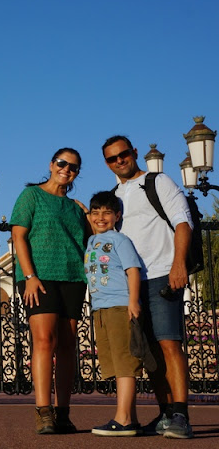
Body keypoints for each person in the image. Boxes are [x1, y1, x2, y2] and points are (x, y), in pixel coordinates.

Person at [102, 135, 194, 439]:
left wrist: (178, 264)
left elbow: (182, 221)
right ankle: (165, 413)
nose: (119, 161)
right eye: (112, 158)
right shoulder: (113, 194)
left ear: (134, 153)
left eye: (123, 154)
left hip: (162, 274)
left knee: (169, 343)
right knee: (149, 351)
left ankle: (180, 414)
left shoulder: (158, 182)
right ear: (107, 163)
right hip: (131, 283)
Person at [10, 147, 89, 435]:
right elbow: (18, 236)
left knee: (68, 344)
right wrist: (30, 275)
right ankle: (44, 412)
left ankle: (63, 413)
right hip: (39, 277)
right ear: (51, 164)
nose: (66, 169)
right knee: (44, 339)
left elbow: (91, 241)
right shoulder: (30, 196)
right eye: (62, 163)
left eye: (73, 167)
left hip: (72, 277)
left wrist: (89, 216)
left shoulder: (75, 207)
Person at [85, 191, 143, 437]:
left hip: (120, 305)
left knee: (124, 363)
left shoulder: (120, 240)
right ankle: (132, 418)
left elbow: (132, 270)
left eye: (107, 212)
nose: (100, 217)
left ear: (117, 216)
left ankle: (124, 419)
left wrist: (133, 301)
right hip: (101, 308)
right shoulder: (91, 241)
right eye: (95, 212)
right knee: (114, 363)